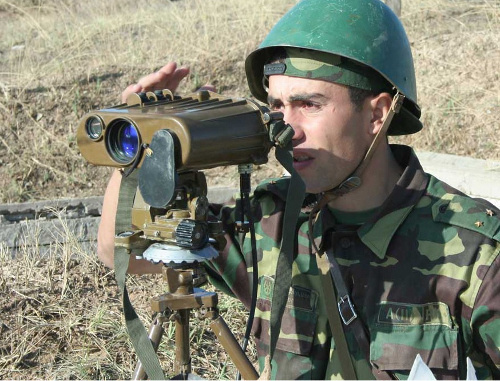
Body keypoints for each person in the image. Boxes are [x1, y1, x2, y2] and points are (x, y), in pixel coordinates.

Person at [97, 0, 500, 379]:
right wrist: (137, 139)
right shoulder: (269, 223)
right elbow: (120, 253)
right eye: (276, 107)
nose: (286, 131)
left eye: (309, 105)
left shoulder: (473, 252)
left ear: (376, 114)